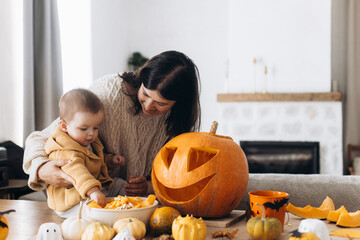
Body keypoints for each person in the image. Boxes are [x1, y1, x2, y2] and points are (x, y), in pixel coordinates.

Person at [23, 50, 201, 197]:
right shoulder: (109, 93)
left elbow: (180, 175)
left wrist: (150, 186)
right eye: (145, 94)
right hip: (84, 191)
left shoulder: (177, 122)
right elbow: (40, 138)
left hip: (124, 198)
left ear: (179, 104)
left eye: (160, 103)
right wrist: (41, 168)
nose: (148, 105)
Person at [45, 88, 126, 217]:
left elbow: (94, 159)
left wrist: (109, 160)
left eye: (96, 127)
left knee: (120, 184)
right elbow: (77, 171)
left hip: (93, 190)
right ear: (64, 126)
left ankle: (132, 206)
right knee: (94, 213)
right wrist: (93, 190)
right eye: (84, 128)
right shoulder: (63, 149)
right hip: (72, 200)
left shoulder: (89, 141)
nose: (91, 133)